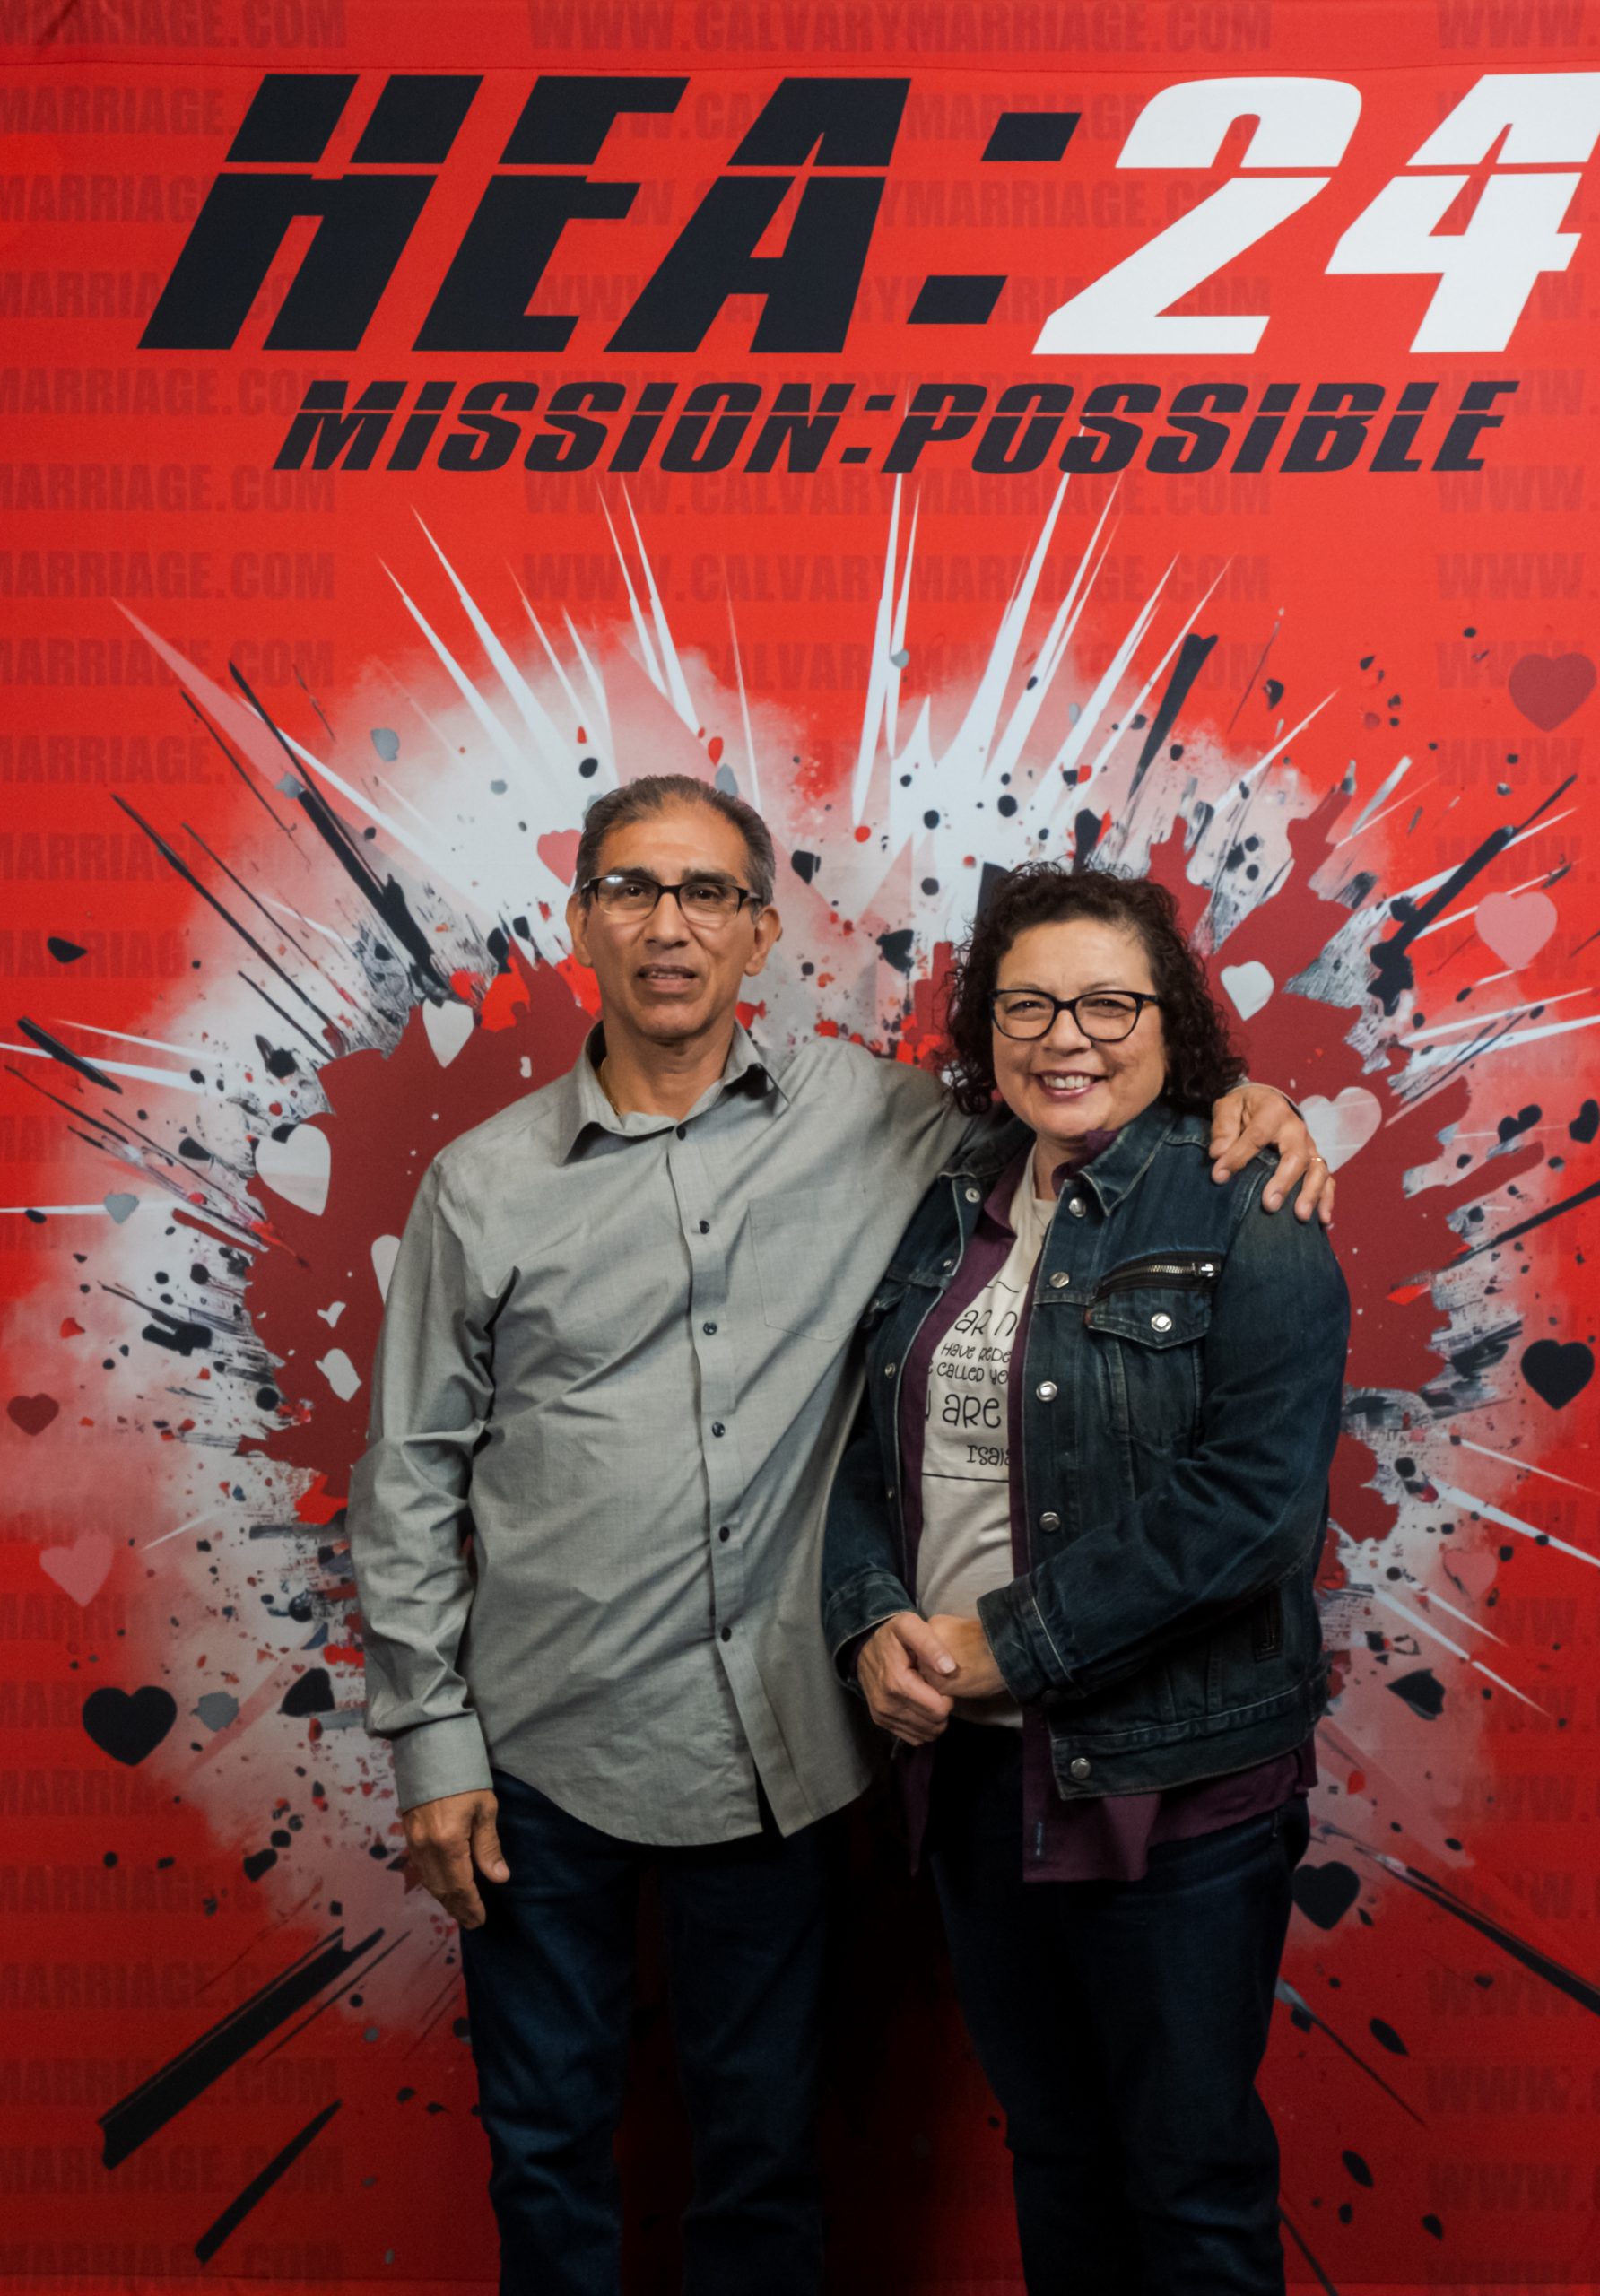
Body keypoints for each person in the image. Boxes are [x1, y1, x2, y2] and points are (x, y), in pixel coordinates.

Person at [348, 776, 1334, 2296]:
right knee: (544, 2153)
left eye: (708, 894)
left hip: (776, 1755)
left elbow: (1093, 1087)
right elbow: (411, 1475)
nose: (669, 926)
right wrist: (430, 1738)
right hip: (544, 1749)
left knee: (767, 2162)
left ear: (760, 935)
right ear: (579, 922)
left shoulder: (888, 1123)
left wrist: (1250, 1104)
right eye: (632, 890)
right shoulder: (481, 1186)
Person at [822, 860, 1350, 2296]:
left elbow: (1253, 1514)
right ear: (985, 1030)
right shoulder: (949, 1202)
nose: (1069, 1037)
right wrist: (872, 1623)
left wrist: (1008, 1645)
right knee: (1057, 2159)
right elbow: (867, 1460)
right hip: (976, 1784)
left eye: (1111, 1004)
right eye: (1029, 1005)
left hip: (1173, 1786)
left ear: (1172, 1021)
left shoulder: (1251, 1203)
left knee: (1188, 2184)